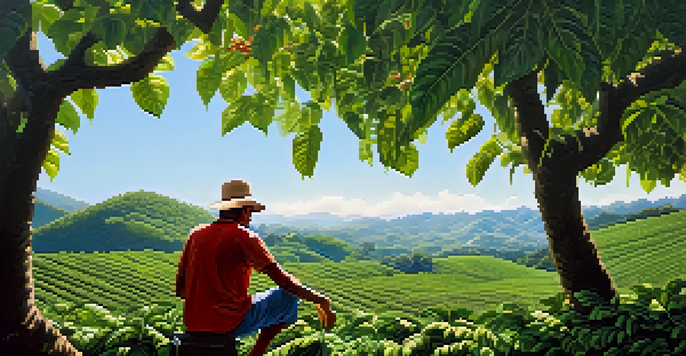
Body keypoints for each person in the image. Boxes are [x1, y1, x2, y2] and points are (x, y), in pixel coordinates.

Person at [175, 180, 336, 356]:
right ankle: (257, 353)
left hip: (193, 322)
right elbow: (284, 281)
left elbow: (181, 290)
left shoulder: (195, 234)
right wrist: (321, 301)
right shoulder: (244, 236)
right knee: (288, 296)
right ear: (244, 211)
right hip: (227, 323)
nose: (250, 218)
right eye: (250, 212)